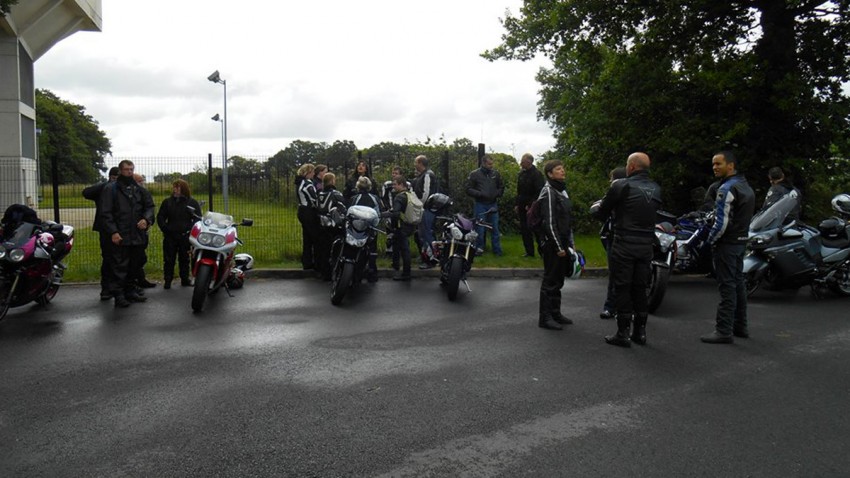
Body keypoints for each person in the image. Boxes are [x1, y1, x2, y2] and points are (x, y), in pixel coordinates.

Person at [591, 152, 662, 346]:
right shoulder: (656, 188)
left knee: (622, 286)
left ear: (631, 167)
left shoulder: (621, 185)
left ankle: (623, 333)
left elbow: (601, 211)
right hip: (646, 244)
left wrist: (604, 211)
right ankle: (640, 332)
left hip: (624, 242)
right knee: (640, 287)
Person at [700, 151, 755, 344]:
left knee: (727, 287)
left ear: (730, 165)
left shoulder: (727, 188)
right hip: (740, 241)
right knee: (738, 283)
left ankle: (723, 331)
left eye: (718, 164)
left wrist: (711, 240)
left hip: (727, 244)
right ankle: (740, 327)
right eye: (713, 164)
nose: (714, 167)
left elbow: (721, 222)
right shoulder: (745, 185)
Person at [100, 160, 155, 308]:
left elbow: (149, 207)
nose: (129, 172)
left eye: (131, 169)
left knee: (134, 265)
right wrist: (113, 232)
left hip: (137, 235)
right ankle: (119, 295)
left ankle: (130, 291)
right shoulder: (111, 189)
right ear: (120, 171)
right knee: (119, 266)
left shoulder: (139, 190)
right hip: (120, 235)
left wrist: (146, 219)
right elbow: (105, 213)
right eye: (126, 169)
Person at [536, 160, 576, 331]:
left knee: (558, 280)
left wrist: (569, 244)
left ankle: (555, 313)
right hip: (552, 244)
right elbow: (549, 222)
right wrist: (559, 247)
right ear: (550, 174)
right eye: (558, 169)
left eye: (562, 168)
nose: (562, 171)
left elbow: (566, 220)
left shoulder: (561, 190)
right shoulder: (548, 192)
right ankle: (545, 318)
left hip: (563, 242)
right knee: (550, 281)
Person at [82, 166, 119, 300]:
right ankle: (106, 288)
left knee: (121, 259)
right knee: (108, 258)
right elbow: (86, 192)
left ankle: (120, 287)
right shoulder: (104, 189)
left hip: (122, 227)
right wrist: (107, 184)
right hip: (105, 228)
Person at [156, 179, 201, 289]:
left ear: (183, 189)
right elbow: (160, 216)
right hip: (170, 236)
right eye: (174, 187)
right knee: (168, 259)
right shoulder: (167, 202)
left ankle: (185, 279)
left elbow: (197, 218)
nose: (175, 190)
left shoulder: (192, 202)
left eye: (178, 187)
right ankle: (167, 280)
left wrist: (190, 230)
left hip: (185, 236)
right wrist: (165, 228)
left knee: (184, 258)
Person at [598, 166, 628, 319]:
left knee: (615, 274)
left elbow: (601, 211)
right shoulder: (639, 191)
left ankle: (611, 307)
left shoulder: (615, 190)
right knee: (631, 276)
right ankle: (625, 310)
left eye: (611, 179)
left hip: (617, 237)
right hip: (632, 239)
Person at [466, 154, 505, 256]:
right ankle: (479, 250)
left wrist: (498, 193)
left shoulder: (496, 174)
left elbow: (501, 186)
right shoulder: (474, 174)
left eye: (492, 164)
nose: (491, 166)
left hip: (493, 204)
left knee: (495, 228)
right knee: (480, 228)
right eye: (489, 164)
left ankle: (497, 251)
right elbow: (468, 189)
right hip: (480, 204)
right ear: (483, 163)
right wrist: (480, 194)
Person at [350, 176, 382, 282]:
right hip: (371, 227)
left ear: (358, 186)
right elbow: (379, 212)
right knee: (372, 250)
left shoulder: (355, 198)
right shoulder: (375, 198)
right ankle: (372, 272)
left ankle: (356, 273)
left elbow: (349, 211)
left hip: (357, 228)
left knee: (355, 249)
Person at [382, 176, 415, 281]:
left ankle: (406, 273)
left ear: (401, 185)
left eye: (395, 184)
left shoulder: (399, 197)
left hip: (401, 226)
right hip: (410, 224)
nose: (393, 187)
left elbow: (395, 214)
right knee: (397, 244)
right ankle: (395, 265)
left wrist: (385, 216)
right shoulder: (409, 194)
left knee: (404, 249)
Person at [316, 172, 346, 281]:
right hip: (333, 226)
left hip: (321, 224)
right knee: (335, 250)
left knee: (323, 249)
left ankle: (324, 273)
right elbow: (343, 208)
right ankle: (335, 272)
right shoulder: (336, 193)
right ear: (332, 181)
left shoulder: (319, 194)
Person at [412, 155, 440, 268]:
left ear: (420, 163)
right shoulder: (423, 175)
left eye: (416, 162)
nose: (414, 165)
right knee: (422, 233)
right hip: (425, 208)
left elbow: (426, 193)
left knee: (426, 233)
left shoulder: (428, 175)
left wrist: (419, 205)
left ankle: (431, 259)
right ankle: (426, 255)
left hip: (426, 208)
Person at [515, 153, 545, 258]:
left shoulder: (537, 174)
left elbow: (539, 191)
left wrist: (531, 204)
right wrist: (517, 204)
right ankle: (529, 252)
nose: (521, 163)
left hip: (533, 206)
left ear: (528, 162)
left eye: (522, 161)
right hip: (522, 205)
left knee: (536, 229)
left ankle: (543, 251)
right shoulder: (521, 174)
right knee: (525, 229)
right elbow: (519, 191)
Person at [380, 166, 410, 265]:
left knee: (400, 235)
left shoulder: (407, 185)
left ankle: (400, 259)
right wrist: (387, 209)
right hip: (391, 211)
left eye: (396, 173)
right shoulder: (387, 185)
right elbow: (383, 198)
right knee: (390, 232)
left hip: (402, 213)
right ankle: (390, 252)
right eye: (393, 173)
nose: (394, 175)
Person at [133, 173, 157, 290]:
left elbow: (150, 208)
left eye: (142, 181)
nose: (142, 184)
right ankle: (133, 283)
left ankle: (140, 280)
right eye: (139, 181)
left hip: (141, 231)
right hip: (130, 232)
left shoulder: (144, 194)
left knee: (141, 257)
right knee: (134, 258)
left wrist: (147, 220)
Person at [295, 163, 320, 271]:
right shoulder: (307, 184)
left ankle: (307, 262)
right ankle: (316, 262)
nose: (314, 174)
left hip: (302, 210)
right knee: (315, 237)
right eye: (313, 172)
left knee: (307, 238)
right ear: (308, 172)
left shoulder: (299, 182)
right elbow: (314, 199)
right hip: (308, 212)